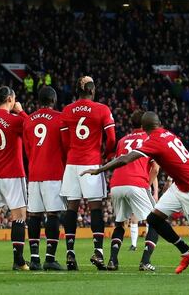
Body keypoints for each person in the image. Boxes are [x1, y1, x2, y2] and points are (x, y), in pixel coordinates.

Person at [81, 111, 189, 280]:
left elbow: (125, 159)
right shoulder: (168, 134)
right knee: (153, 219)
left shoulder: (154, 141)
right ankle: (186, 252)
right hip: (180, 186)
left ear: (144, 127)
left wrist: (99, 169)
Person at [59, 76, 116, 270]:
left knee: (71, 208)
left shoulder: (67, 110)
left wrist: (73, 152)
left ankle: (70, 252)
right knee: (96, 208)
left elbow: (65, 141)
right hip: (91, 163)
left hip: (72, 163)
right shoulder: (102, 109)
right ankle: (98, 252)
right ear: (92, 91)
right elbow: (112, 139)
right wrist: (106, 154)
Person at [0, 86, 30, 271]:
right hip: (13, 174)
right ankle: (18, 260)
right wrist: (21, 110)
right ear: (10, 99)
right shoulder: (14, 119)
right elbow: (32, 126)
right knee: (19, 217)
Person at [107, 110, 161, 271]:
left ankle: (112, 261)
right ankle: (145, 261)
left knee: (119, 224)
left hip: (116, 184)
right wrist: (148, 184)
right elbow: (156, 169)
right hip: (136, 183)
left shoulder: (122, 140)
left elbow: (119, 161)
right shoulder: (149, 138)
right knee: (156, 222)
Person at [23, 86, 68, 271]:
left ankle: (34, 259)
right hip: (54, 172)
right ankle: (50, 258)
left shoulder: (29, 121)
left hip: (34, 173)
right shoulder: (60, 118)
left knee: (34, 215)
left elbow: (27, 149)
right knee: (53, 215)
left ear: (39, 100)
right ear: (54, 100)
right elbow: (65, 146)